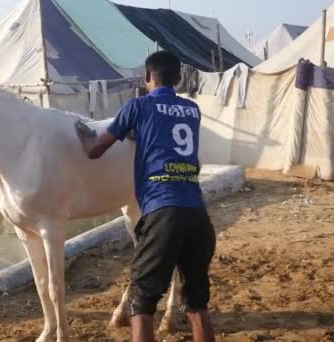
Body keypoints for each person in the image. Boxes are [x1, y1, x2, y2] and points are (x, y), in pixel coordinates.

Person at [74, 51, 216, 342]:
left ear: (147, 77)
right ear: (178, 79)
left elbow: (94, 151)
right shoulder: (192, 110)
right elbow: (166, 134)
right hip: (198, 215)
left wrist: (82, 133)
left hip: (163, 212)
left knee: (142, 304)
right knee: (197, 304)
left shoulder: (138, 106)